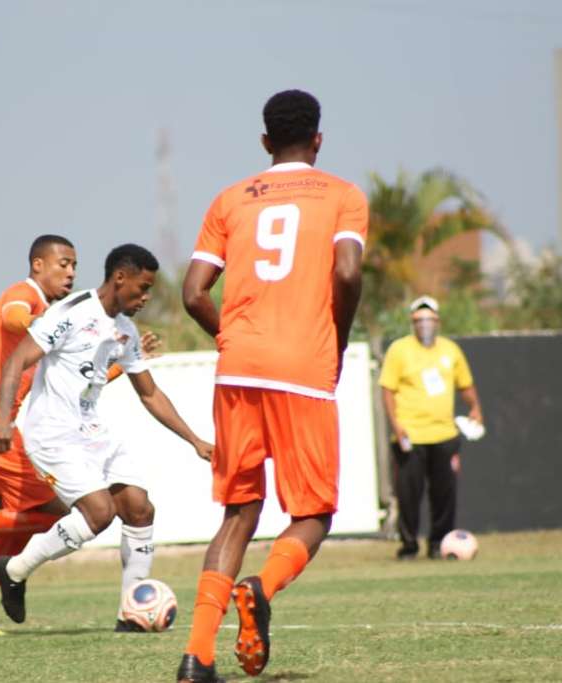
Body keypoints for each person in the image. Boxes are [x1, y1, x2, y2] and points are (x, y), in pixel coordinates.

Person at [177, 89, 366, 682]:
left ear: (264, 141)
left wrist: (231, 338)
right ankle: (261, 586)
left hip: (238, 368)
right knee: (313, 512)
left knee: (238, 512)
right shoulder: (342, 194)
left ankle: (196, 658)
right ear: (317, 138)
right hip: (304, 367)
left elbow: (192, 292)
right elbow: (347, 270)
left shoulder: (230, 199)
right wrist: (336, 336)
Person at [0, 234, 163, 636]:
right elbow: (12, 317)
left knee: (34, 518)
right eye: (62, 264)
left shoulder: (79, 318)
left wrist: (116, 363)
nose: (70, 272)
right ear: (38, 264)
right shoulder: (30, 295)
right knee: (59, 513)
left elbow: (81, 377)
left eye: (74, 265)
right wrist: (42, 325)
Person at [0, 244, 213, 629]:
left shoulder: (124, 331)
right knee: (99, 513)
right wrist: (3, 420)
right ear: (119, 277)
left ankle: (131, 614)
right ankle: (15, 570)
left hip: (92, 431)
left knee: (140, 508)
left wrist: (195, 440)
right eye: (142, 289)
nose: (145, 298)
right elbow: (17, 360)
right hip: (52, 433)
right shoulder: (73, 313)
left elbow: (149, 393)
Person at [379, 295, 483, 560]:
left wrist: (475, 408)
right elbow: (388, 390)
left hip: (444, 434)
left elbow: (466, 385)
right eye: (418, 320)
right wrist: (396, 425)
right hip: (410, 434)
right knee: (408, 494)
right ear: (412, 323)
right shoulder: (400, 350)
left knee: (444, 494)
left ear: (437, 322)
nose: (424, 324)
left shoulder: (450, 350)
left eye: (429, 320)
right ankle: (409, 545)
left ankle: (439, 543)